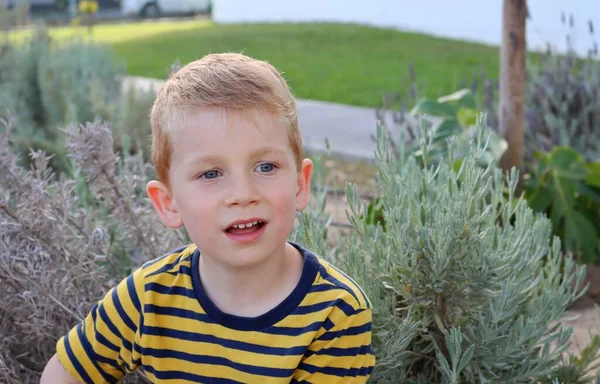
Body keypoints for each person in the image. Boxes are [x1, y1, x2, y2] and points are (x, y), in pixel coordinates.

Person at [40, 52, 375, 384]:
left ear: (300, 184)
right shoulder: (149, 296)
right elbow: (63, 374)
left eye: (266, 167)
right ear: (169, 203)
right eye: (211, 174)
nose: (243, 194)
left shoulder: (334, 312)